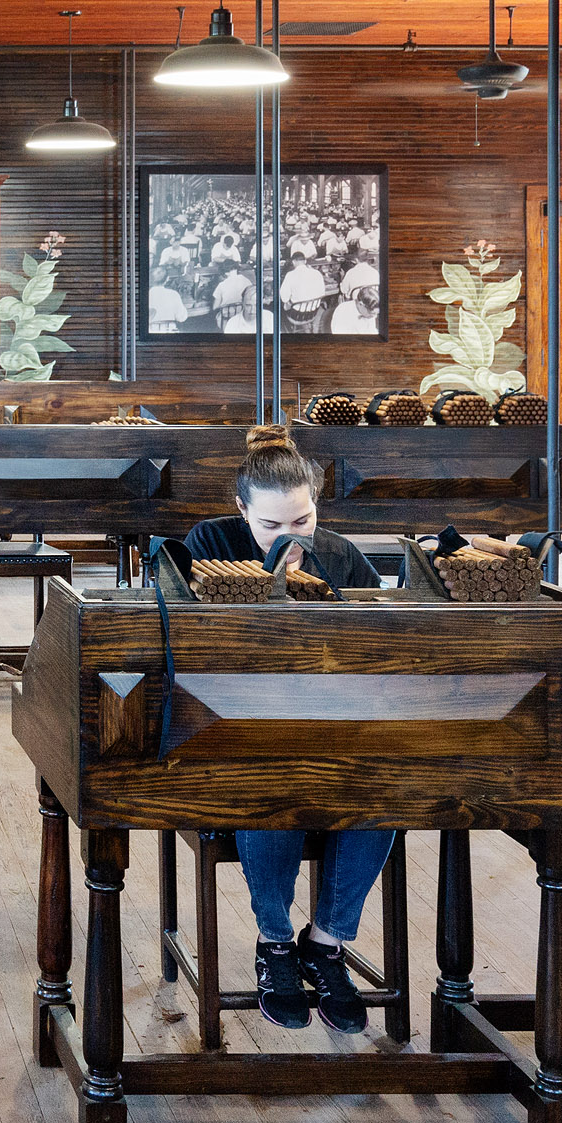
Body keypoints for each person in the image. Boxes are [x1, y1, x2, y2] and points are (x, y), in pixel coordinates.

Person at [182, 424, 390, 1035]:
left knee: (390, 789)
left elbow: (377, 646)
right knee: (271, 785)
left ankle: (324, 945)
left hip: (331, 722)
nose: (289, 536)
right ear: (241, 509)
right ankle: (275, 943)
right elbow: (197, 650)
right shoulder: (208, 543)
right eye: (271, 526)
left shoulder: (341, 554)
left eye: (301, 522)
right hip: (236, 729)